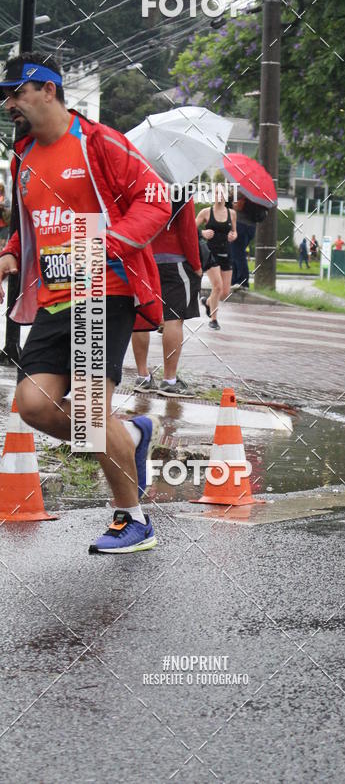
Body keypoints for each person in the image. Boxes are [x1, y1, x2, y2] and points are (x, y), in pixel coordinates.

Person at [0, 52, 171, 554]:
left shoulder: (97, 142)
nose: (9, 104)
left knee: (93, 413)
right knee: (32, 404)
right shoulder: (24, 155)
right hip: (54, 298)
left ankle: (133, 520)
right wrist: (12, 255)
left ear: (47, 90)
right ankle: (134, 437)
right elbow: (27, 227)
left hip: (105, 291)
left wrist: (110, 243)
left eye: (16, 93)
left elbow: (155, 197)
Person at [131, 189, 202, 395]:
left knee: (142, 317)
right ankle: (169, 381)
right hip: (174, 261)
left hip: (143, 258)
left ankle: (142, 377)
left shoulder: (139, 185)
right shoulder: (181, 187)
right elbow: (188, 232)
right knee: (174, 318)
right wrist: (196, 265)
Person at [196, 188, 237, 330]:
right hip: (211, 254)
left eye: (222, 193)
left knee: (225, 292)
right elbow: (190, 229)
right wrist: (203, 232)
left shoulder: (232, 214)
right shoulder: (206, 212)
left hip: (226, 253)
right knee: (217, 286)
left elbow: (234, 232)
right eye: (217, 193)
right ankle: (213, 319)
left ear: (227, 196)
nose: (219, 196)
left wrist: (233, 236)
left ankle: (208, 302)